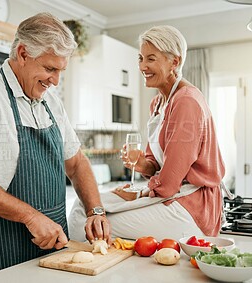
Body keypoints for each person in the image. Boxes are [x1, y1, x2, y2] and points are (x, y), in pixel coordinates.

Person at [0, 12, 111, 283]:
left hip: (50, 246)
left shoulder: (50, 102)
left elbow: (77, 164)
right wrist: (30, 216)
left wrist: (95, 210)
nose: (54, 80)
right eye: (49, 69)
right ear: (22, 53)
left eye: (59, 71)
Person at [69, 25, 226, 242]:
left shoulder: (186, 101)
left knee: (88, 224)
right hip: (171, 196)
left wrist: (137, 193)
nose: (143, 66)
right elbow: (156, 167)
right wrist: (142, 164)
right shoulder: (158, 103)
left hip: (192, 208)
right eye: (141, 58)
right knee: (86, 205)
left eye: (151, 59)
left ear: (175, 62)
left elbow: (169, 182)